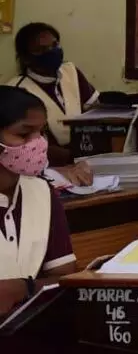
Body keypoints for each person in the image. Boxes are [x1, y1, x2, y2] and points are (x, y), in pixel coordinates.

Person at [0, 87, 76, 350]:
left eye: (41, 133)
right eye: (24, 134)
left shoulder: (43, 191)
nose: (38, 143)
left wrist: (24, 288)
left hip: (30, 334)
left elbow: (65, 278)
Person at [8, 22, 97, 185]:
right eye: (42, 50)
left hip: (86, 159)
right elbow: (28, 144)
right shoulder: (17, 90)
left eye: (55, 45)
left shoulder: (70, 72)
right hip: (47, 168)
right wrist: (72, 157)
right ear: (26, 58)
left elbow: (94, 108)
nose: (52, 52)